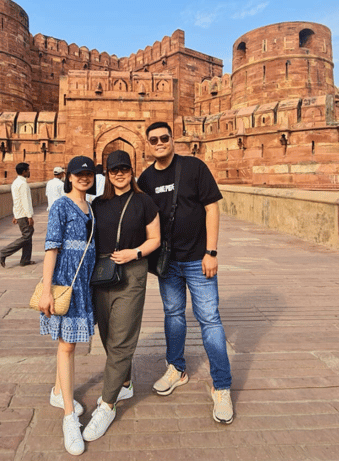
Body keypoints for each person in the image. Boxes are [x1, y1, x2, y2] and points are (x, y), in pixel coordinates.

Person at [137, 121, 234, 424]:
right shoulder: (146, 178)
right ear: (147, 144)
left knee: (210, 319)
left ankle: (222, 386)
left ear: (173, 139)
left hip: (198, 259)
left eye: (164, 138)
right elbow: (137, 215)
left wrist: (212, 251)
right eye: (154, 140)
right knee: (173, 315)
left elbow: (212, 208)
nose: (160, 143)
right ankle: (176, 368)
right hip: (168, 263)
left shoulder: (193, 167)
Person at [83, 150, 161, 442]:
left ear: (132, 170)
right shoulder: (98, 205)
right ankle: (125, 381)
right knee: (106, 334)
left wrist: (134, 252)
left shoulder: (144, 201)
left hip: (132, 273)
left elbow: (155, 238)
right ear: (107, 173)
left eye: (124, 168)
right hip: (103, 273)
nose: (119, 173)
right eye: (114, 169)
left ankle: (107, 404)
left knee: (122, 337)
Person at [38, 156, 97, 456]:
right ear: (69, 177)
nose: (84, 178)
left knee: (67, 344)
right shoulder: (61, 205)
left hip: (84, 283)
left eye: (89, 173)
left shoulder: (92, 207)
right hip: (65, 281)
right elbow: (51, 246)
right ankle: (69, 419)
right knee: (68, 346)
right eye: (79, 174)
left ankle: (59, 392)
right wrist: (46, 289)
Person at [0, 162, 36, 268]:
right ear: (24, 172)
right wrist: (29, 216)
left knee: (28, 235)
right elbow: (25, 201)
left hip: (20, 213)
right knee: (27, 236)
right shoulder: (23, 184)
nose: (29, 172)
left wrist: (15, 215)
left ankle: (25, 260)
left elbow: (16, 200)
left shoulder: (16, 182)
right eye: (28, 170)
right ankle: (4, 252)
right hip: (23, 214)